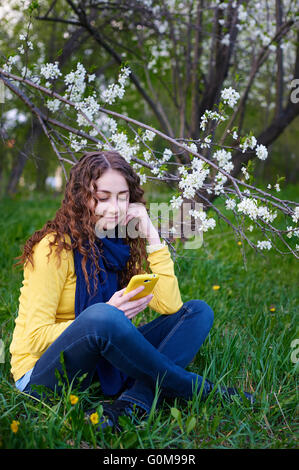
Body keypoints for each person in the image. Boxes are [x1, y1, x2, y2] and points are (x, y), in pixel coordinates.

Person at [10, 151, 254, 432]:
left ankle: (132, 403)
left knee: (197, 312)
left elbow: (170, 306)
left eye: (122, 197)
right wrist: (101, 319)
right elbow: (35, 339)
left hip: (99, 362)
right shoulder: (53, 249)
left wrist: (150, 232)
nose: (114, 208)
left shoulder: (119, 243)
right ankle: (200, 389)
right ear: (80, 198)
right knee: (102, 317)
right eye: (102, 198)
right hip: (41, 376)